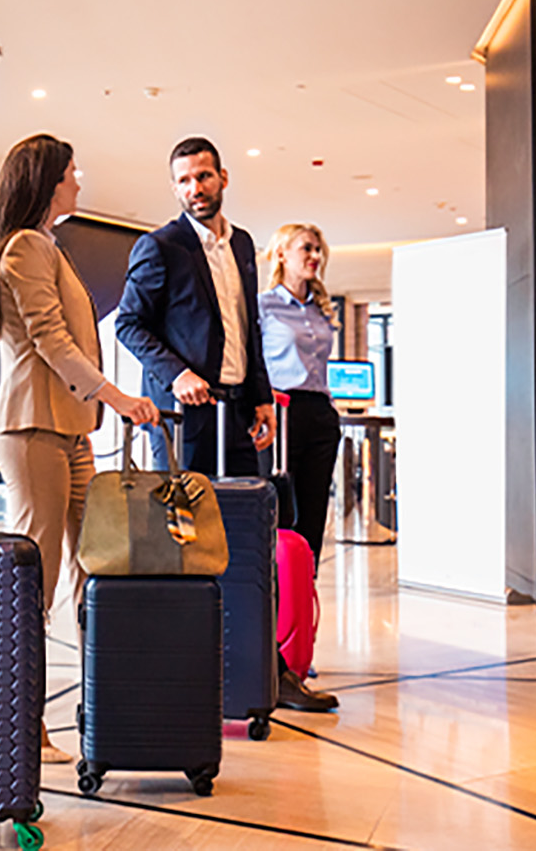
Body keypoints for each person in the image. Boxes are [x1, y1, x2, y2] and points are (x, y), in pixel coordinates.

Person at [116, 137, 338, 713]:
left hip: (239, 413)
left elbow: (247, 331)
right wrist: (177, 373)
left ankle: (266, 673)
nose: (195, 188)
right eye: (184, 180)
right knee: (185, 548)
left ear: (223, 178)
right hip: (186, 420)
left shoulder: (240, 244)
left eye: (204, 177)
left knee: (250, 543)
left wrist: (262, 397)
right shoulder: (159, 246)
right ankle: (186, 679)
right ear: (175, 188)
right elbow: (130, 326)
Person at [0, 133, 161, 763]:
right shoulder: (26, 246)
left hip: (71, 433)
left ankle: (105, 705)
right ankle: (18, 726)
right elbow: (52, 341)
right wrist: (118, 398)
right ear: (47, 181)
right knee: (37, 577)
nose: (79, 181)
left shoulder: (46, 245)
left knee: (97, 570)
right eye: (72, 173)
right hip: (33, 431)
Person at [258, 223, 342, 563]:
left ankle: (306, 585)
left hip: (321, 412)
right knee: (279, 506)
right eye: (306, 248)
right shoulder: (262, 306)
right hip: (282, 411)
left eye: (318, 249)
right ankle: (275, 589)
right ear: (281, 254)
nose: (315, 256)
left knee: (314, 508)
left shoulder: (320, 308)